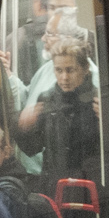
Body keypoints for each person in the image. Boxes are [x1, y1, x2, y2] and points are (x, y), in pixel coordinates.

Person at [17, 39, 102, 206]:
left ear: (85, 69)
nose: (64, 77)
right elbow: (33, 148)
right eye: (59, 70)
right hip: (54, 186)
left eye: (70, 70)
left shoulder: (98, 101)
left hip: (89, 187)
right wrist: (24, 127)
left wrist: (106, 125)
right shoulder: (47, 99)